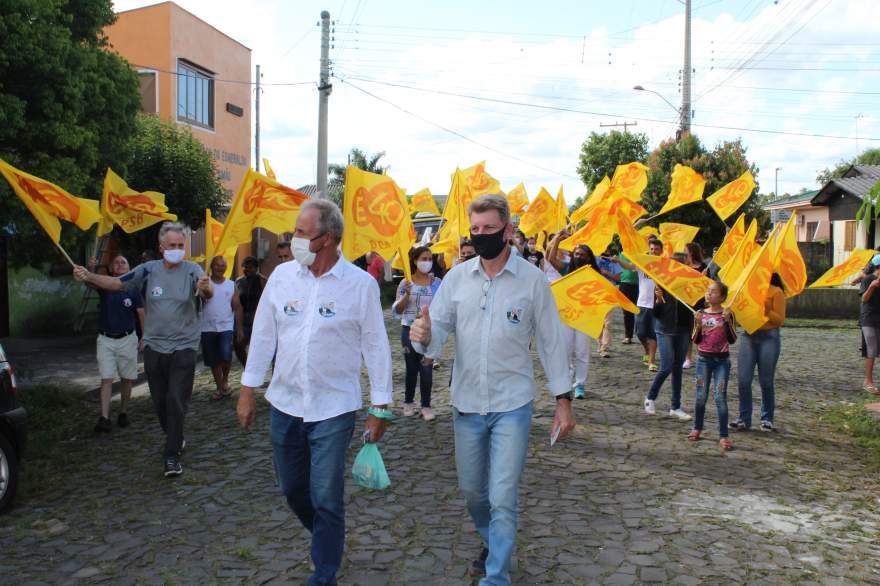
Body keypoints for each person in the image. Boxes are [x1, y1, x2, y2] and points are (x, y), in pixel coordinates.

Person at [409, 194, 574, 585]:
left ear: (508, 231)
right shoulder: (456, 279)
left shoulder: (532, 282)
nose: (481, 236)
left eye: (489, 229)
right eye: (476, 230)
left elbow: (551, 343)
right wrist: (423, 337)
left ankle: (496, 575)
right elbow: (437, 332)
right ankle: (494, 542)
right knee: (472, 493)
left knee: (502, 495)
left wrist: (563, 401)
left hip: (512, 405)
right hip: (466, 404)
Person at [237, 199, 392, 586]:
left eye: (302, 234)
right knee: (293, 490)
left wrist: (380, 406)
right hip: (285, 404)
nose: (294, 240)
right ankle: (328, 537)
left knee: (326, 494)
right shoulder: (283, 277)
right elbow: (263, 336)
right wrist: (247, 389)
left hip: (334, 407)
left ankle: (325, 572)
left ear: (329, 238)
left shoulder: (361, 286)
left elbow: (376, 346)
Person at [73, 222, 213, 477]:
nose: (177, 250)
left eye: (181, 246)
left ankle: (171, 455)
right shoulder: (148, 271)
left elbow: (207, 290)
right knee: (159, 401)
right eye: (172, 246)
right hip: (154, 346)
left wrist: (205, 287)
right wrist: (89, 276)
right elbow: (117, 283)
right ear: (162, 248)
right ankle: (175, 435)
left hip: (185, 345)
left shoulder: (193, 270)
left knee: (175, 398)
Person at [87, 254, 144, 433]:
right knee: (106, 378)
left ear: (129, 269)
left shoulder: (133, 288)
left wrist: (146, 336)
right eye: (116, 262)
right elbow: (89, 282)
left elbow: (141, 313)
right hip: (105, 339)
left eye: (124, 262)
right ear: (111, 269)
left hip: (128, 338)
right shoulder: (105, 285)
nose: (119, 264)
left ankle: (123, 412)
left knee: (127, 379)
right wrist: (90, 270)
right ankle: (104, 417)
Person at [392, 246, 442, 420]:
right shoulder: (406, 283)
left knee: (427, 368)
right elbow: (397, 310)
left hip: (429, 332)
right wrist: (406, 295)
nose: (427, 262)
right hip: (409, 330)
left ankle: (426, 406)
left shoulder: (436, 283)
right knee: (412, 368)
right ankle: (408, 402)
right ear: (415, 261)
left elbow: (443, 307)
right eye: (423, 258)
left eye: (430, 259)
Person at [732, 274, 786, 432]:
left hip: (769, 337)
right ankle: (744, 418)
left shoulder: (776, 292)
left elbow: (780, 320)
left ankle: (767, 418)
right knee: (743, 380)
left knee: (766, 381)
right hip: (748, 336)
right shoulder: (747, 291)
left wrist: (768, 311)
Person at [688, 281, 738, 450]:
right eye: (708, 291)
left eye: (714, 292)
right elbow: (695, 339)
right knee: (701, 396)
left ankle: (723, 435)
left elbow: (733, 339)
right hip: (703, 360)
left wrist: (726, 322)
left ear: (723, 297)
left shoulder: (727, 314)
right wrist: (699, 324)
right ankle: (697, 427)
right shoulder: (700, 313)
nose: (709, 294)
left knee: (719, 397)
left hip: (722, 361)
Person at [644, 260, 694, 422]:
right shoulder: (662, 284)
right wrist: (658, 300)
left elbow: (697, 305)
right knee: (666, 366)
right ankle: (650, 398)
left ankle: (675, 407)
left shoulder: (691, 284)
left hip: (683, 329)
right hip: (664, 329)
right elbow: (655, 313)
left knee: (677, 367)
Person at [547, 241, 597, 400]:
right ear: (572, 256)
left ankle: (580, 383)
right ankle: (566, 380)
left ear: (589, 257)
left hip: (585, 318)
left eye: (582, 255)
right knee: (565, 350)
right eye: (576, 254)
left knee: (582, 352)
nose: (579, 257)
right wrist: (557, 240)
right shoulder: (566, 269)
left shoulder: (595, 274)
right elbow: (550, 257)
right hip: (566, 316)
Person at [620, 239, 662, 372]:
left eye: (656, 249)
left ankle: (652, 360)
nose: (653, 251)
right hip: (642, 303)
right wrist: (618, 260)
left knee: (653, 334)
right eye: (652, 249)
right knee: (640, 333)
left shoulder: (664, 265)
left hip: (657, 304)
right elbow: (630, 267)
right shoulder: (642, 263)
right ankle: (647, 350)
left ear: (661, 251)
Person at [201, 255, 235, 400]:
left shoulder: (231, 285)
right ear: (211, 267)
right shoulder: (204, 282)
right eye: (217, 265)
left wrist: (237, 327)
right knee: (213, 359)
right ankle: (220, 387)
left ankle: (225, 380)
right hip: (207, 327)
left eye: (223, 265)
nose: (220, 268)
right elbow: (204, 297)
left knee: (226, 355)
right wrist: (203, 287)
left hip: (226, 325)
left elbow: (237, 306)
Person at [232, 256, 267, 367]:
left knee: (258, 347)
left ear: (256, 268)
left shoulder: (263, 281)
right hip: (243, 318)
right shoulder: (238, 281)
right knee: (238, 345)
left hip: (258, 318)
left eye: (250, 267)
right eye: (245, 267)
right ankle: (247, 368)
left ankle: (257, 371)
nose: (247, 270)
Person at [683, 242, 708, 369]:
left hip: (699, 302)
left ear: (691, 252)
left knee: (699, 330)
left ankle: (702, 356)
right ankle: (688, 358)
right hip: (686, 302)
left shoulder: (704, 267)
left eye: (685, 250)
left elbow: (709, 285)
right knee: (688, 331)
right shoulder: (683, 267)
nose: (683, 252)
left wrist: (703, 278)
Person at [596, 246, 622, 358]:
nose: (605, 250)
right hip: (595, 293)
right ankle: (600, 343)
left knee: (608, 322)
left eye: (607, 248)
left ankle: (604, 347)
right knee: (599, 321)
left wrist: (606, 272)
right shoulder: (595, 258)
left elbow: (618, 278)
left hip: (609, 293)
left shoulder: (614, 261)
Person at [860, 260, 880, 395]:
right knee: (871, 350)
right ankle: (868, 382)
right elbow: (864, 299)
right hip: (868, 319)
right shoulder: (868, 279)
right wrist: (872, 286)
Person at [616, 251, 640, 345]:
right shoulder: (621, 253)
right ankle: (628, 336)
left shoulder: (641, 252)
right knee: (627, 312)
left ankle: (643, 335)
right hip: (625, 284)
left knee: (641, 311)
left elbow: (632, 266)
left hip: (639, 285)